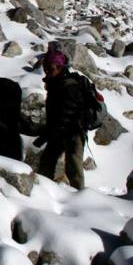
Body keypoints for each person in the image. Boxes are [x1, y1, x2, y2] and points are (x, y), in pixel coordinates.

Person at [33, 47, 87, 188]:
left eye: (50, 68)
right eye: (45, 68)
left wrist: (47, 135)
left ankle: (82, 198)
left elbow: (67, 115)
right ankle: (46, 191)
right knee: (46, 162)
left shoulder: (69, 86)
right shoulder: (55, 84)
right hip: (60, 131)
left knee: (73, 168)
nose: (46, 72)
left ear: (59, 67)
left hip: (74, 132)